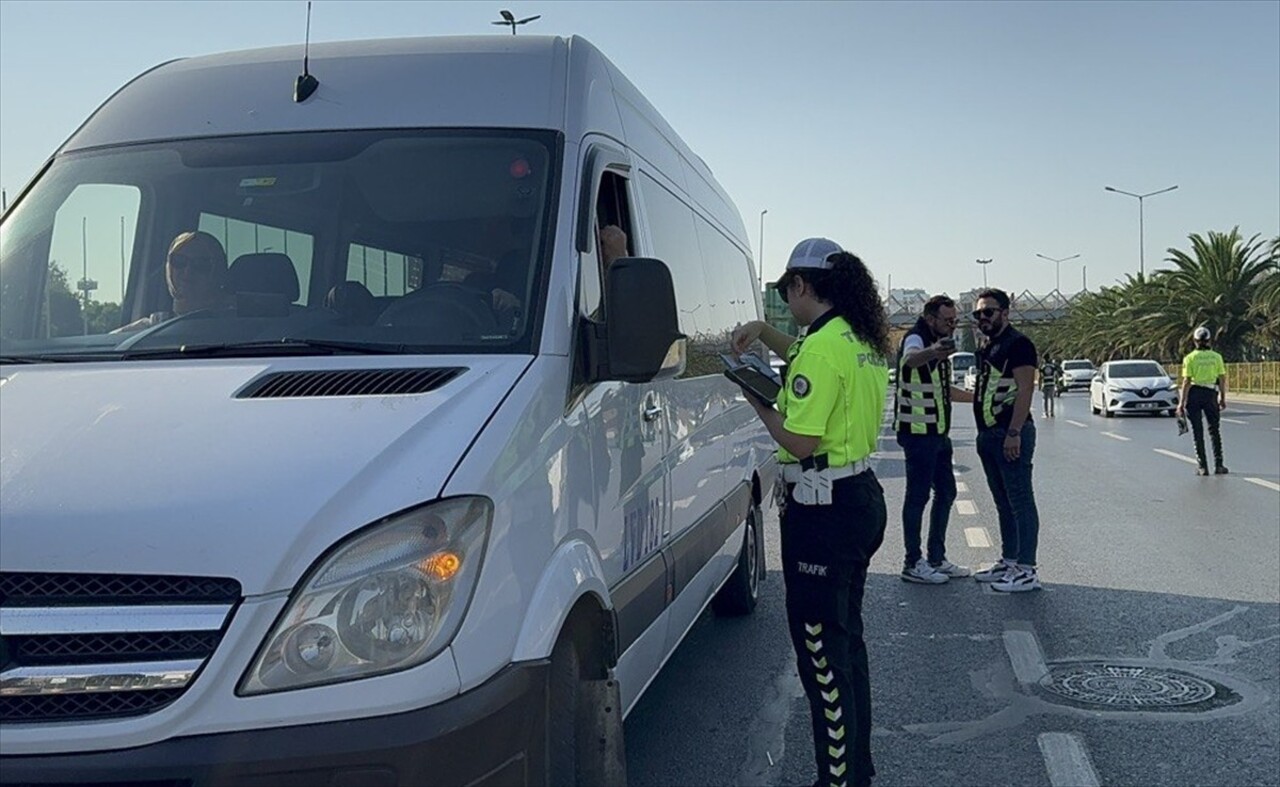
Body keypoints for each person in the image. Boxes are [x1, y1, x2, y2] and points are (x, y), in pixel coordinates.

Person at [731, 238, 890, 787]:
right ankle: (857, 771)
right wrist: (763, 333)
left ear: (801, 286)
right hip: (858, 496)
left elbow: (798, 441)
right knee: (848, 646)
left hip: (822, 511)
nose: (785, 305)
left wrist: (754, 397)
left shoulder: (822, 350)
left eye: (785, 294)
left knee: (821, 656)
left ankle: (838, 780)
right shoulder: (855, 338)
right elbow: (802, 354)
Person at [894, 295, 975, 585]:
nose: (953, 326)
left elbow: (943, 390)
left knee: (947, 492)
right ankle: (912, 562)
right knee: (917, 497)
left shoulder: (939, 350)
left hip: (937, 434)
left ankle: (936, 558)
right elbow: (910, 359)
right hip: (917, 435)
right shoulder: (917, 338)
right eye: (948, 321)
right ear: (931, 319)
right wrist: (934, 351)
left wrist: (977, 399)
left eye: (955, 321)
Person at [969, 288, 1043, 593]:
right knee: (1003, 502)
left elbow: (1025, 390)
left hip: (1010, 433)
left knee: (1021, 501)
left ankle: (1026, 569)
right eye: (978, 314)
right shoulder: (990, 345)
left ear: (1005, 313)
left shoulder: (1019, 344)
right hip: (989, 434)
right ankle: (1010, 560)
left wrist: (1013, 433)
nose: (982, 318)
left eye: (988, 311)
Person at [114, 231, 233, 332]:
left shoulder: (237, 328)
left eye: (201, 264)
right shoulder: (147, 331)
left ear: (219, 271)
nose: (187, 271)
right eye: (179, 261)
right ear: (168, 267)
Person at [1176, 326, 1229, 476]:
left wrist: (1181, 402)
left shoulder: (1190, 358)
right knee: (1214, 431)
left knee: (1197, 432)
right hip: (1211, 393)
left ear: (1195, 341)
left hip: (1194, 394)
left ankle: (1202, 467)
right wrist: (1223, 398)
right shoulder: (1216, 357)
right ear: (1209, 340)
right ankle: (1219, 465)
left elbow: (1186, 381)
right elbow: (1222, 379)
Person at [1038, 353, 1059, 417]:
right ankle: (1052, 413)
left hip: (1045, 384)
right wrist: (1057, 384)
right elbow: (1056, 375)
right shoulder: (1052, 366)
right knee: (1051, 399)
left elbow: (1040, 377)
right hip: (1052, 384)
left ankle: (1046, 413)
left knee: (1045, 399)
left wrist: (1039, 385)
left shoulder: (1043, 367)